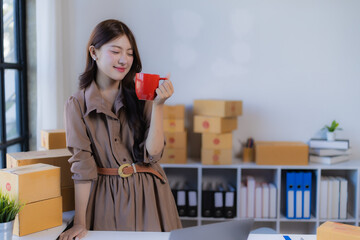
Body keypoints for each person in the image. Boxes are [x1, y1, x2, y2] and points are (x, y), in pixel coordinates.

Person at [60, 19, 182, 240]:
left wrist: (159, 105)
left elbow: (153, 154)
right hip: (106, 198)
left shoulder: (141, 95)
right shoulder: (76, 105)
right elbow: (82, 167)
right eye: (116, 51)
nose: (124, 60)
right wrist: (79, 222)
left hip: (151, 196)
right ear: (94, 52)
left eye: (130, 53)